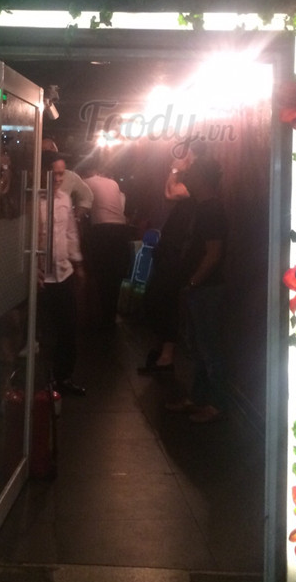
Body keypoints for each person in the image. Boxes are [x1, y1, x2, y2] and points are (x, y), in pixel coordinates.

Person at [164, 156, 229, 423]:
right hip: (200, 288)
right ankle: (199, 398)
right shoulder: (203, 207)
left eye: (191, 173)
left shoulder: (212, 210)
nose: (186, 177)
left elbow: (213, 254)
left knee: (209, 348)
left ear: (202, 178)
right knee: (199, 347)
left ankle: (216, 405)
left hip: (206, 289)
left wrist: (193, 283)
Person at [137, 150, 196, 374]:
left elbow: (170, 193)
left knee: (164, 301)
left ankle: (166, 356)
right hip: (169, 251)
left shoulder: (193, 188)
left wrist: (176, 168)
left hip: (177, 254)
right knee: (155, 300)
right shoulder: (188, 187)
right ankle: (161, 352)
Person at [38, 161, 86, 396]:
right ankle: (40, 383)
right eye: (54, 174)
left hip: (63, 272)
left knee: (68, 328)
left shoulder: (64, 199)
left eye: (61, 174)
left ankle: (63, 378)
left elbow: (70, 232)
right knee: (42, 332)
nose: (58, 179)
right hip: (40, 277)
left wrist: (78, 263)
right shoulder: (32, 201)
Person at [83, 155, 132, 329]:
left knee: (101, 275)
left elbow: (81, 207)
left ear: (87, 172)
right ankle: (110, 317)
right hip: (121, 231)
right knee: (115, 276)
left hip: (102, 231)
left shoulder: (85, 182)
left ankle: (100, 318)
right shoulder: (113, 183)